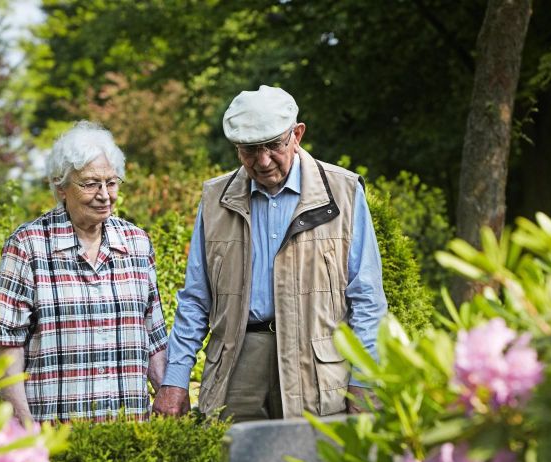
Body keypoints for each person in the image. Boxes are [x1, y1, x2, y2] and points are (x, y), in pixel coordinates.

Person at [153, 85, 387, 421]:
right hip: (238, 361)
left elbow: (367, 297)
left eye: (273, 146)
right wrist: (174, 380)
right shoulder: (215, 199)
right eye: (249, 150)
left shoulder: (343, 192)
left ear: (297, 135)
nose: (262, 161)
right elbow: (196, 298)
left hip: (318, 366)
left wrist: (364, 379)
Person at [0, 121, 168, 423]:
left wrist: (170, 404)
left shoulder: (136, 244)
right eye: (90, 184)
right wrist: (24, 426)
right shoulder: (28, 246)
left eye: (111, 183)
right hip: (55, 434)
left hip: (131, 433)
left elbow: (154, 338)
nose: (104, 195)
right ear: (61, 187)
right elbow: (8, 346)